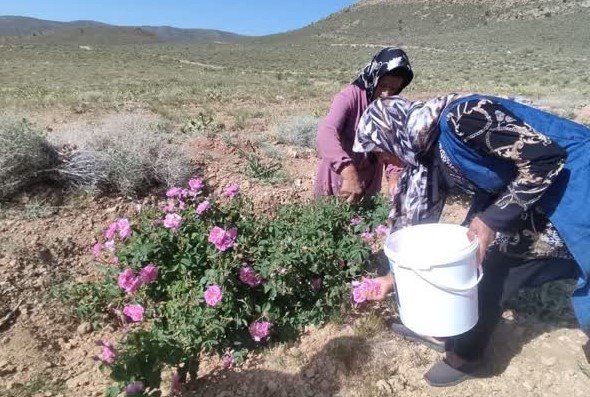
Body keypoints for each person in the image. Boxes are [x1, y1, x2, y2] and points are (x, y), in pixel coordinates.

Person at [353, 93, 590, 386]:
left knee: (492, 268)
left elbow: (546, 158)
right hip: (528, 196)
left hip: (575, 185)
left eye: (378, 151)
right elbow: (414, 228)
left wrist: (492, 220)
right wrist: (391, 278)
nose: (383, 160)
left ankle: (467, 355)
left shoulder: (464, 116)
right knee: (469, 253)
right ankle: (446, 328)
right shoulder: (425, 158)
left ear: (392, 132)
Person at [314, 47, 413, 203]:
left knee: (363, 225)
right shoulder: (350, 96)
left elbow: (391, 148)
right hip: (338, 181)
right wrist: (348, 172)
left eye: (393, 89)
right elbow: (326, 133)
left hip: (368, 185)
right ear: (375, 77)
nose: (386, 94)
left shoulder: (390, 107)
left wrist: (394, 177)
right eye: (383, 86)